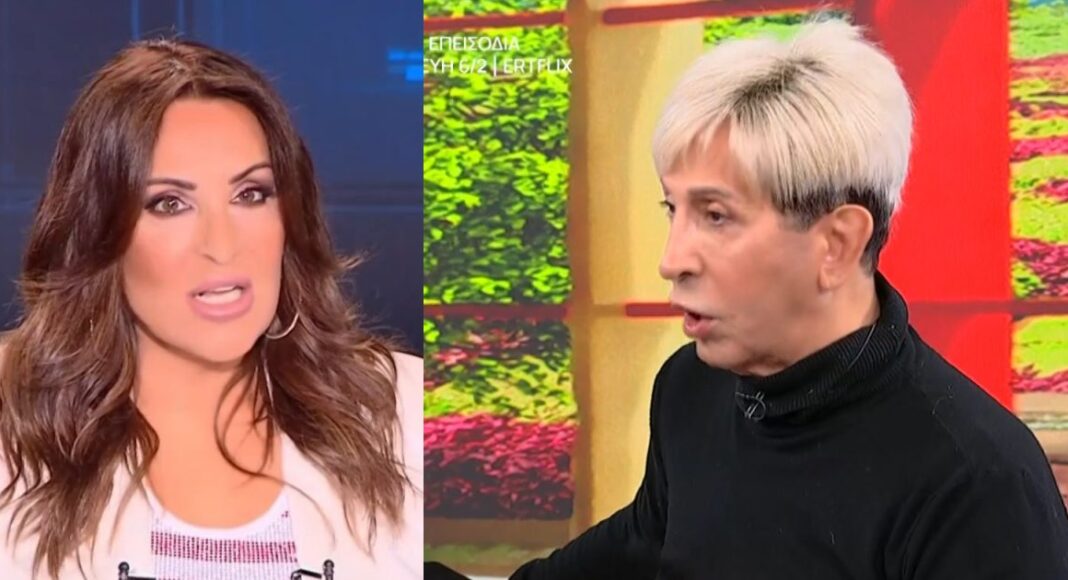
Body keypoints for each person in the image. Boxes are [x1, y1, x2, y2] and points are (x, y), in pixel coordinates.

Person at [511, 19, 1068, 579]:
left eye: (715, 216)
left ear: (837, 243)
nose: (671, 260)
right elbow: (640, 544)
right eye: (672, 210)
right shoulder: (690, 389)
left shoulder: (977, 484)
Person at [0, 39, 422, 579]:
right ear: (98, 230)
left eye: (251, 194)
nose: (222, 247)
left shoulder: (407, 415)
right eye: (169, 203)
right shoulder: (14, 433)